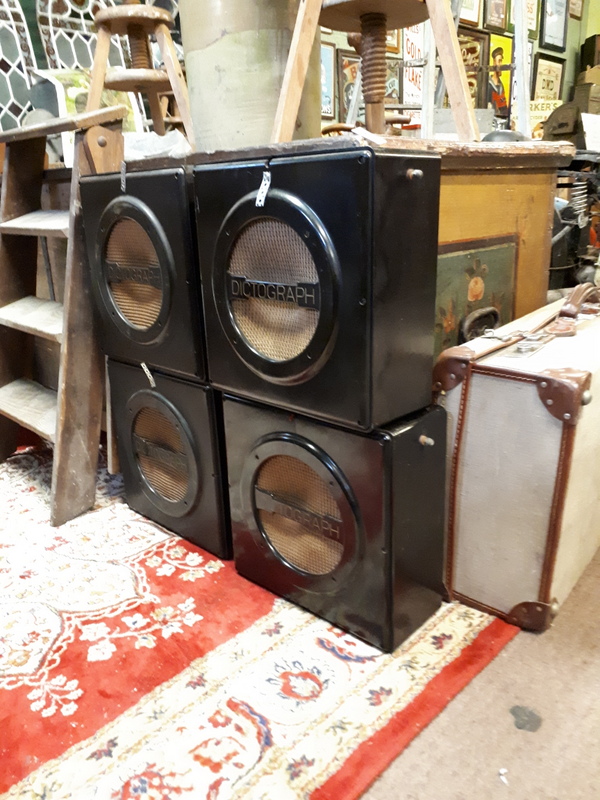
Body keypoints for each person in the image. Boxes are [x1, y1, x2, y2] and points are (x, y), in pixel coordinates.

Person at [488, 46, 509, 119]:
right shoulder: (488, 84)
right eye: (499, 61)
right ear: (494, 63)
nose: (501, 65)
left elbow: (503, 108)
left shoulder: (501, 86)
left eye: (501, 61)